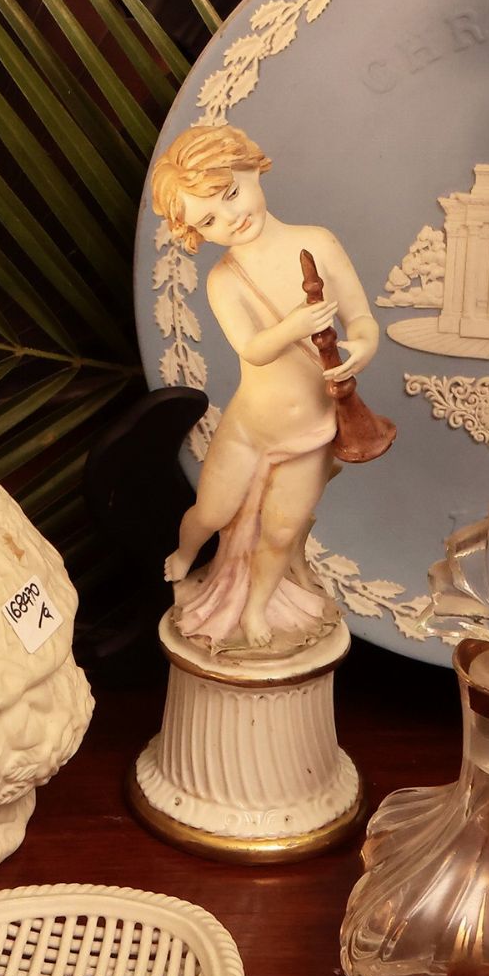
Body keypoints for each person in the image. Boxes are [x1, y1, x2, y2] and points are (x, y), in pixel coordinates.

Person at [150, 124, 378, 650]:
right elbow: (252, 349)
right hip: (250, 428)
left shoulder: (317, 243)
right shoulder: (224, 280)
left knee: (280, 532)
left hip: (312, 432)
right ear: (196, 233)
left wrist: (361, 349)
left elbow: (362, 319)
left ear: (252, 168)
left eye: (231, 193)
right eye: (208, 220)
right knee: (211, 512)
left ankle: (256, 608)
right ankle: (187, 553)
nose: (230, 218)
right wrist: (296, 326)